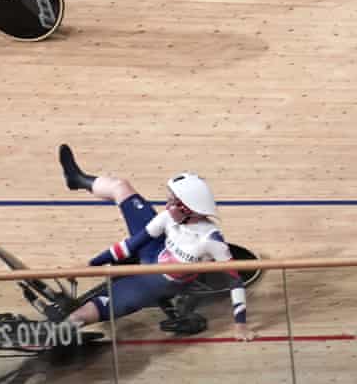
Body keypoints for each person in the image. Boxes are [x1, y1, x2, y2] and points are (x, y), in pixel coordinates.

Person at [57, 144, 256, 341]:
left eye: (172, 201)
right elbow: (131, 245)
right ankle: (77, 179)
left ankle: (53, 334)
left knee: (84, 314)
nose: (167, 205)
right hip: (156, 251)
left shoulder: (211, 240)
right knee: (121, 187)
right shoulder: (168, 216)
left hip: (154, 283)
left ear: (188, 209)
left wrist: (240, 324)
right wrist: (89, 265)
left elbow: (235, 281)